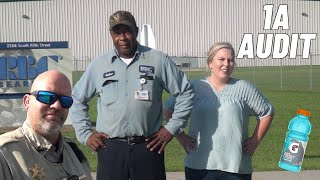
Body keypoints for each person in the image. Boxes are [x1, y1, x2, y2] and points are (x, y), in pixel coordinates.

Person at [70, 10, 193, 180]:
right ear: (111, 34)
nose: (122, 37)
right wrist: (85, 134)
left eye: (127, 31)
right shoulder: (99, 65)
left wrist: (171, 128)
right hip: (110, 149)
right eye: (117, 32)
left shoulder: (158, 60)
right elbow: (77, 99)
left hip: (149, 147)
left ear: (136, 31)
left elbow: (185, 92)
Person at [164, 42, 274, 180]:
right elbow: (168, 109)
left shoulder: (244, 88)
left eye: (231, 60)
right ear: (210, 63)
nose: (226, 64)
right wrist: (182, 137)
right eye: (221, 59)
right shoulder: (194, 87)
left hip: (236, 168)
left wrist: (255, 140)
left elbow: (267, 112)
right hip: (199, 166)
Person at [0, 70, 92, 180]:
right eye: (46, 97)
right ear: (27, 102)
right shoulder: (5, 155)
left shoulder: (74, 152)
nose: (57, 106)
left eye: (65, 101)